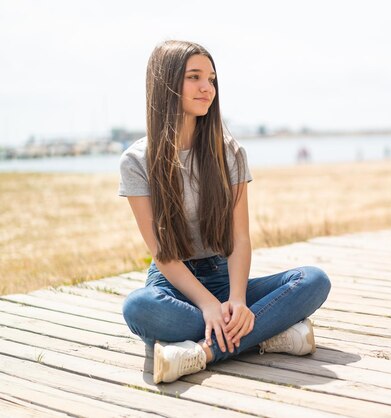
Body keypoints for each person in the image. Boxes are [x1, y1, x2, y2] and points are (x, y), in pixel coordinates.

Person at [119, 40, 331, 384]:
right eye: (195, 77)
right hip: (174, 284)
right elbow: (161, 253)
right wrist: (207, 305)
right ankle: (268, 335)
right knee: (139, 307)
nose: (208, 88)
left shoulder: (229, 152)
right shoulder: (136, 161)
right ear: (166, 84)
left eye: (212, 79)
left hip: (224, 276)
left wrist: (236, 299)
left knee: (314, 281)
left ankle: (201, 352)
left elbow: (239, 238)